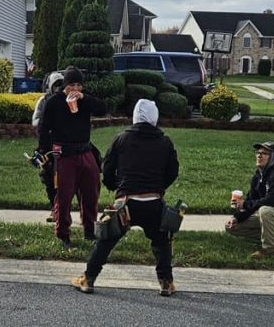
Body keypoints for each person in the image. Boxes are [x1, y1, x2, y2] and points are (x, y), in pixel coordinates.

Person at [71, 99, 180, 297]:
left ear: (136, 116)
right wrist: (159, 188)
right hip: (153, 202)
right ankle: (166, 282)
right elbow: (173, 171)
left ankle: (88, 279)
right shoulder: (165, 142)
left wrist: (115, 187)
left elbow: (107, 168)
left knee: (106, 240)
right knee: (162, 242)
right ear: (154, 117)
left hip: (126, 203)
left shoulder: (121, 139)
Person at [38, 66, 107, 248]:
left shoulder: (85, 99)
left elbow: (102, 108)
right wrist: (45, 154)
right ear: (64, 86)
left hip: (84, 150)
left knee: (91, 192)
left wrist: (84, 98)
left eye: (78, 85)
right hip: (64, 154)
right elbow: (44, 129)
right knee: (64, 195)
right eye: (71, 85)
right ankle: (63, 234)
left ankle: (89, 229)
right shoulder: (54, 102)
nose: (75, 89)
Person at [225, 142, 274, 258]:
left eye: (264, 153)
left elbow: (271, 200)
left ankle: (270, 250)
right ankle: (272, 236)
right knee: (232, 227)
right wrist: (237, 217)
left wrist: (245, 203)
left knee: (266, 210)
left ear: (273, 157)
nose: (259, 156)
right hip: (270, 215)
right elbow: (252, 200)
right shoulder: (258, 176)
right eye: (258, 153)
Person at [31, 71, 65, 223]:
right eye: (55, 85)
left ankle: (64, 209)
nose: (58, 88)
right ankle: (54, 209)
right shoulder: (43, 101)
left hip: (65, 145)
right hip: (47, 146)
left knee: (66, 180)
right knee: (49, 178)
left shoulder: (68, 100)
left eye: (60, 85)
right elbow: (35, 120)